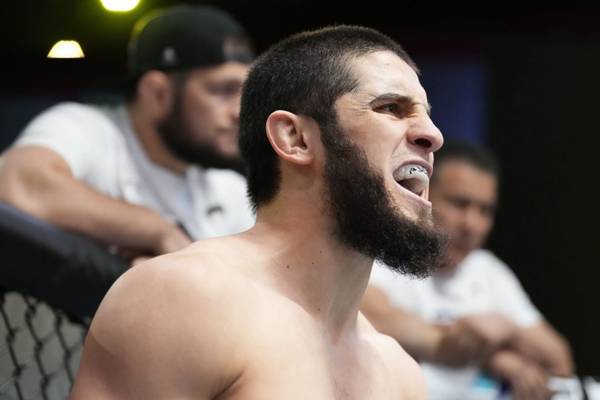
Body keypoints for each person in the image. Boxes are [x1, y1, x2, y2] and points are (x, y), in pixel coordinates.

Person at [69, 25, 447, 399]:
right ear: (295, 138)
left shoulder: (400, 375)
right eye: (390, 108)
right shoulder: (185, 298)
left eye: (426, 114)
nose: (432, 135)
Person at [0, 5, 255, 262]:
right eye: (224, 90)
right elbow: (18, 182)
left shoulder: (231, 192)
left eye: (245, 93)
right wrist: (156, 231)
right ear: (157, 94)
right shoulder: (87, 128)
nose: (239, 111)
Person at [362, 140, 575, 400]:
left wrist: (507, 329)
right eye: (460, 204)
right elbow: (372, 320)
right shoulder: (382, 256)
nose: (472, 224)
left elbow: (558, 358)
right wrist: (492, 355)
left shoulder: (488, 270)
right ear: (423, 193)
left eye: (485, 210)